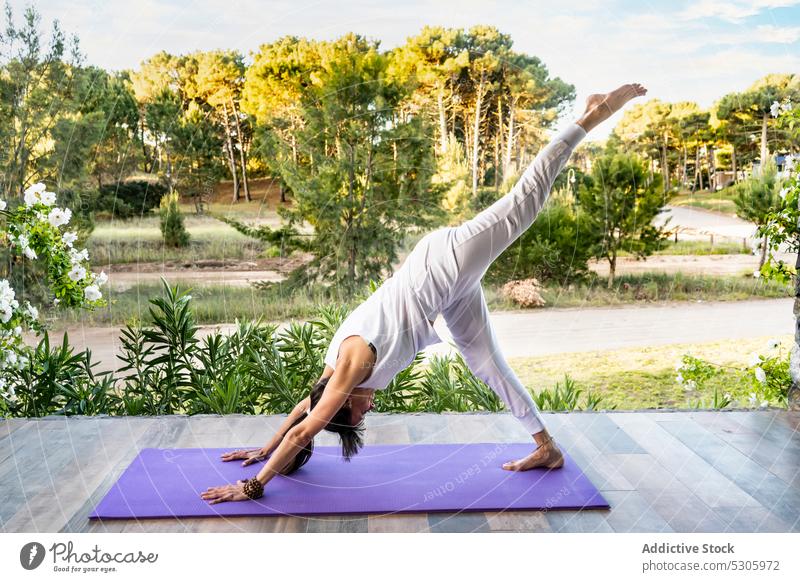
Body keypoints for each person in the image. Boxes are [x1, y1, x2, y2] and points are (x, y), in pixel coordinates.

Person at [200, 83, 648, 505]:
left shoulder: (352, 366)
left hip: (440, 266)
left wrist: (253, 486)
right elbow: (305, 411)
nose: (366, 410)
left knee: (523, 206)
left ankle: (591, 115)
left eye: (358, 414)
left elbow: (304, 432)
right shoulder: (331, 383)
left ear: (345, 403)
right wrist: (263, 448)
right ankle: (547, 448)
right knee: (489, 365)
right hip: (446, 296)